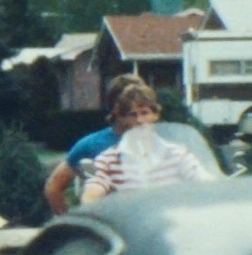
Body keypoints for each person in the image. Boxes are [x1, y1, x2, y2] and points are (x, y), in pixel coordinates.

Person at [47, 75, 163, 215]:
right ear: (116, 108)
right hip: (112, 223)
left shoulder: (163, 142)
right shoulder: (91, 146)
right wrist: (71, 222)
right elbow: (54, 187)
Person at [77, 118, 209, 204]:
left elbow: (204, 180)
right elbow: (89, 182)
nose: (140, 121)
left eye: (145, 112)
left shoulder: (177, 152)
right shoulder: (92, 145)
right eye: (132, 114)